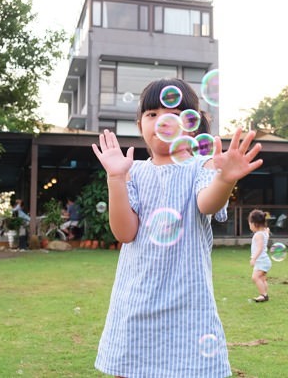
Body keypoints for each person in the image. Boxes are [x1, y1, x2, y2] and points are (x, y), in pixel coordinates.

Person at [92, 78, 262, 377]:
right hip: (136, 302)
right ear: (139, 124)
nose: (162, 121)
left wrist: (225, 180)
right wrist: (115, 178)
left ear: (191, 126)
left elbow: (206, 203)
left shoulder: (202, 166)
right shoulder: (133, 172)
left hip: (188, 306)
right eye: (152, 114)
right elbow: (124, 233)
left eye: (172, 113)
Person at [248, 209, 271, 302]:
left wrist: (253, 258)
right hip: (264, 261)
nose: (250, 226)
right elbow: (267, 236)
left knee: (255, 277)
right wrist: (267, 232)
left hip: (261, 261)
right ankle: (265, 294)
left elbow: (260, 248)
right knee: (262, 278)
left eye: (250, 224)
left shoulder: (258, 235)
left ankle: (263, 295)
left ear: (255, 224)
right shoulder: (264, 233)